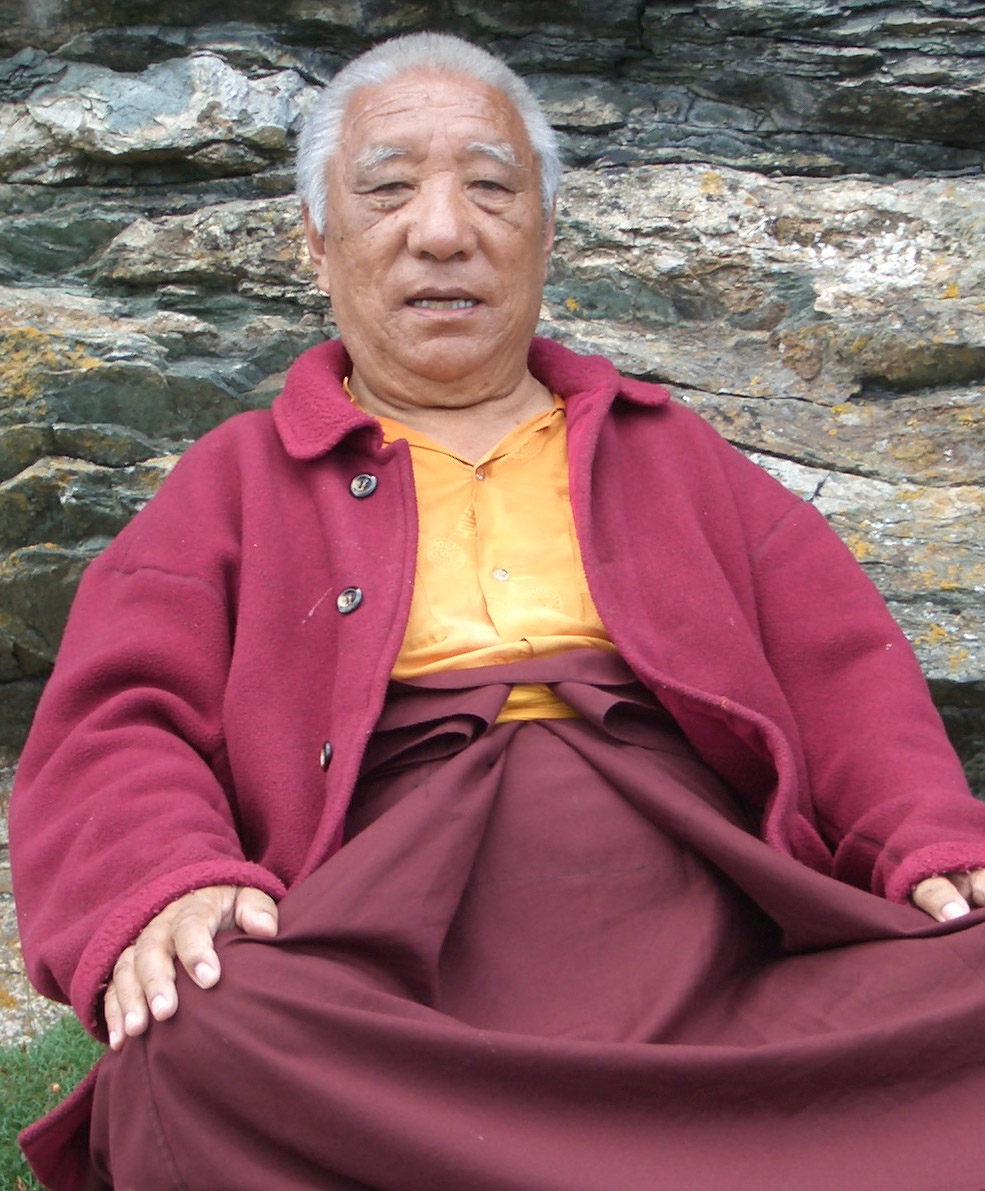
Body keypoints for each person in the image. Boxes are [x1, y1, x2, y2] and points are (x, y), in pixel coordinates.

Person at [10, 30, 985, 1191]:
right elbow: (118, 717)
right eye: (388, 191)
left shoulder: (673, 454)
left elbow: (844, 673)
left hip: (714, 931)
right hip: (386, 957)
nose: (442, 231)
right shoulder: (232, 482)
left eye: (489, 188)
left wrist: (926, 841)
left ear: (545, 233)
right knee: (199, 1036)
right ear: (317, 242)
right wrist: (171, 875)